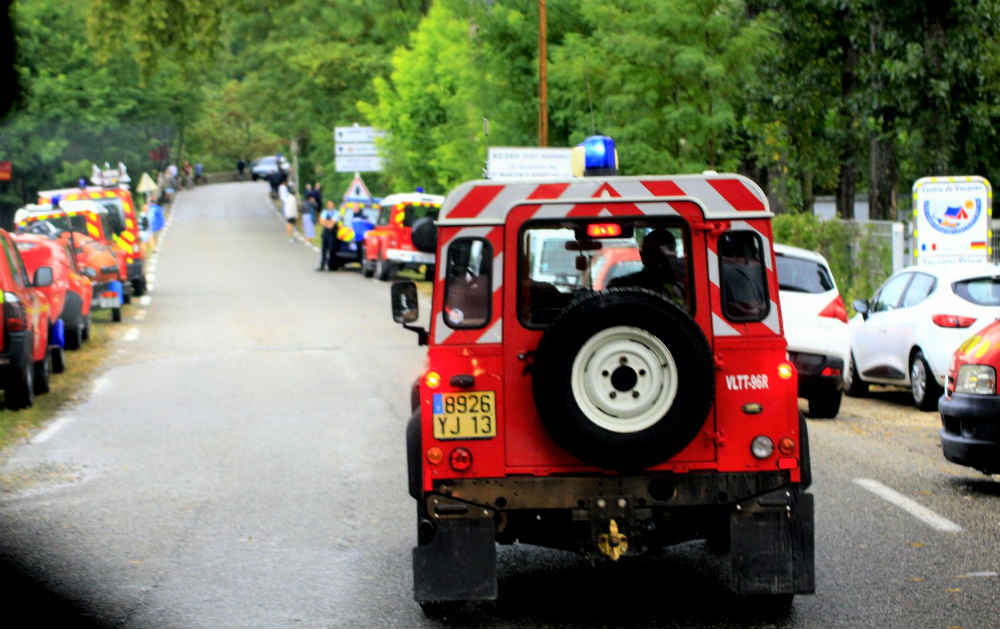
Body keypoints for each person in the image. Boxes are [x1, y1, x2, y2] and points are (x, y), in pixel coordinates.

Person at [607, 228, 686, 306]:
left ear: (642, 255)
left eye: (670, 249)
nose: (659, 258)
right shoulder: (686, 280)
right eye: (654, 252)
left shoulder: (622, 286)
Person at [317, 200, 340, 270]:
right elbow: (321, 221)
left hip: (333, 234)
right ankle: (322, 266)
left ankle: (331, 266)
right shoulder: (325, 212)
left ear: (334, 205)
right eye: (328, 204)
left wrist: (326, 222)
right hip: (325, 233)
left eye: (331, 204)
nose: (329, 206)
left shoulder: (337, 213)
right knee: (323, 250)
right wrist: (328, 222)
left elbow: (332, 224)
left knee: (332, 250)